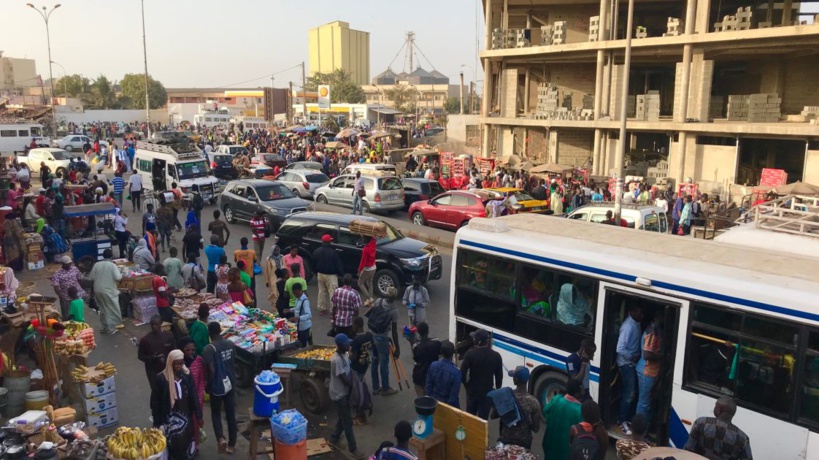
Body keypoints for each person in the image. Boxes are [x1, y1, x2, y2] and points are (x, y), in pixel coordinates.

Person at [150, 349, 202, 460]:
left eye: (181, 363)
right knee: (173, 444)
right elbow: (155, 402)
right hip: (170, 418)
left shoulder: (186, 374)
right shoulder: (161, 379)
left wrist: (199, 415)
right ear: (170, 362)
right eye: (176, 363)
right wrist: (157, 423)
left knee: (187, 442)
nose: (179, 365)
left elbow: (193, 395)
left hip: (186, 416)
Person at [328, 333, 366, 459]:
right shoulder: (336, 360)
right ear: (340, 345)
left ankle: (333, 438)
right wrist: (356, 384)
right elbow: (344, 379)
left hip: (344, 392)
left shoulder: (344, 354)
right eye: (346, 344)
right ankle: (353, 448)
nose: (348, 345)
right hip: (339, 394)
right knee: (347, 421)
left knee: (343, 417)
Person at [203, 322, 238, 455]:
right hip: (230, 383)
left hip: (217, 386)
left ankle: (221, 438)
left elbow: (211, 370)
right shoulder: (230, 344)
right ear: (220, 331)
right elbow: (233, 361)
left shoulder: (208, 349)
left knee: (216, 413)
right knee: (230, 414)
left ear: (209, 334)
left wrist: (208, 385)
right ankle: (232, 444)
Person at [684, 397, 753, 460]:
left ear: (719, 410)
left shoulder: (701, 423)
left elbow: (688, 450)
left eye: (715, 406)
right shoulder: (743, 438)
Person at [490, 366, 541, 450]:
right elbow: (536, 428)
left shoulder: (505, 396)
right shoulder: (534, 402)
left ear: (516, 380)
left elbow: (492, 416)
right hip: (524, 441)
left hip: (506, 438)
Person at [460, 329, 503, 419]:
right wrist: (497, 390)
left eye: (474, 338)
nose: (473, 339)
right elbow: (499, 376)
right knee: (483, 419)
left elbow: (462, 373)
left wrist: (466, 386)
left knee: (470, 417)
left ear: (478, 341)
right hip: (487, 392)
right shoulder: (496, 356)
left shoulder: (470, 354)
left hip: (472, 391)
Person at [367, 286, 401, 396]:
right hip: (382, 338)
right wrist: (397, 348)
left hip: (372, 335)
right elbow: (394, 332)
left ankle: (375, 387)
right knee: (384, 364)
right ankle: (386, 388)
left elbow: (369, 314)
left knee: (374, 362)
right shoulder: (394, 311)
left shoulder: (378, 301)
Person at [541, 378, 585, 460]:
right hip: (565, 453)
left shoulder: (557, 399)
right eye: (582, 390)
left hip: (550, 447)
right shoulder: (579, 410)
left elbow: (545, 411)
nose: (584, 392)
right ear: (576, 394)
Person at [616, 305, 643, 435]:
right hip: (626, 364)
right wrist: (632, 357)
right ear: (632, 311)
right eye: (639, 311)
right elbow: (620, 349)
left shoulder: (636, 323)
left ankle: (628, 418)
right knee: (629, 394)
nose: (641, 314)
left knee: (633, 393)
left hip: (632, 364)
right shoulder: (628, 327)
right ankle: (621, 420)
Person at [179, 337, 206, 450]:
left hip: (195, 398)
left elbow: (202, 380)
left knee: (195, 421)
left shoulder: (198, 360)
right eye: (187, 350)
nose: (190, 353)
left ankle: (195, 445)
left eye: (192, 350)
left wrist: (199, 396)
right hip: (182, 398)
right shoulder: (178, 362)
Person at [636, 313, 663, 423]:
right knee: (644, 403)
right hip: (647, 371)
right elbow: (647, 355)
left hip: (650, 371)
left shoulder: (656, 329)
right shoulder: (652, 332)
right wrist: (663, 356)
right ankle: (639, 432)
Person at [88, 249, 123, 334]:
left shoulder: (97, 264)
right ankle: (111, 329)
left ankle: (103, 327)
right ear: (111, 257)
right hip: (109, 291)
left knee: (102, 309)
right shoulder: (112, 265)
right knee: (111, 309)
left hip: (98, 290)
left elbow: (91, 278)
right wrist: (121, 273)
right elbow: (118, 278)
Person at [138, 315, 175, 390]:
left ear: (161, 323)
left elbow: (174, 350)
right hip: (153, 371)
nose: (154, 326)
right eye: (152, 324)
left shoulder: (169, 335)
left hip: (168, 367)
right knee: (157, 391)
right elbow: (140, 356)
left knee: (169, 389)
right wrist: (152, 358)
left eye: (156, 324)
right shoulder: (145, 340)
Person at [348, 316, 372, 423]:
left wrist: (349, 351)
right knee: (360, 384)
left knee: (357, 390)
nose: (352, 326)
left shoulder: (356, 340)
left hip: (356, 367)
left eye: (353, 324)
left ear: (357, 326)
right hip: (365, 365)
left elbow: (353, 357)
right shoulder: (368, 335)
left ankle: (360, 414)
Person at [313, 234, 343, 315]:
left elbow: (313, 263)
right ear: (328, 242)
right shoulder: (333, 253)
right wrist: (341, 274)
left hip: (320, 274)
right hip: (331, 276)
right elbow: (338, 265)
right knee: (332, 293)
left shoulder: (316, 251)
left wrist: (315, 272)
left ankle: (321, 309)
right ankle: (333, 311)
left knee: (321, 292)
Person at [424, 340, 460, 408]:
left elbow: (428, 387)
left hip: (435, 402)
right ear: (452, 354)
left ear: (441, 352)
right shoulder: (456, 372)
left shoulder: (433, 365)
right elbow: (453, 396)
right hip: (449, 406)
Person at [50, 255, 86, 319]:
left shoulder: (74, 269)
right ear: (62, 264)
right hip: (65, 297)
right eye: (67, 264)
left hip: (76, 295)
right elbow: (55, 286)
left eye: (70, 263)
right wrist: (61, 296)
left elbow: (79, 279)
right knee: (66, 313)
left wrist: (82, 289)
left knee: (78, 312)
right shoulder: (57, 273)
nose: (69, 265)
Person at [411, 322, 441, 397]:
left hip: (420, 377)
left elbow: (416, 358)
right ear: (428, 331)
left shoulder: (416, 347)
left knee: (422, 401)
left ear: (418, 333)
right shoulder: (436, 343)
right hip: (432, 376)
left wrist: (412, 341)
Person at [290, 282, 312, 347]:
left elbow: (309, 315)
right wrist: (290, 310)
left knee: (303, 345)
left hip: (304, 328)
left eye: (296, 293)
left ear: (300, 291)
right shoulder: (298, 299)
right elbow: (298, 308)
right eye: (294, 293)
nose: (295, 295)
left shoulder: (305, 301)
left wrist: (298, 318)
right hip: (299, 326)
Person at [357, 236, 376, 303]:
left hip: (367, 269)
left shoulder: (365, 249)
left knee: (360, 283)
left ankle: (369, 298)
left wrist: (359, 270)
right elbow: (373, 238)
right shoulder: (373, 243)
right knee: (370, 282)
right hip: (374, 267)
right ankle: (370, 298)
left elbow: (363, 261)